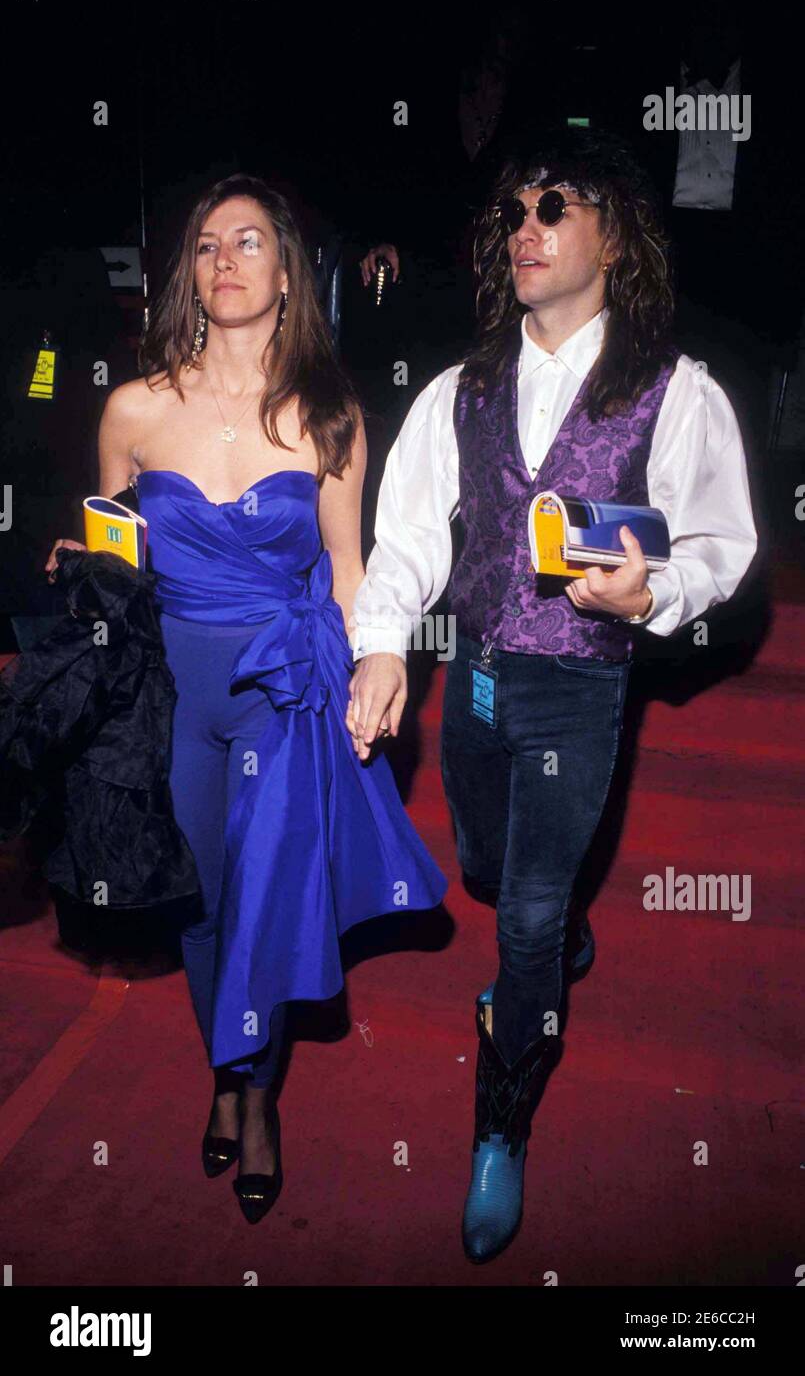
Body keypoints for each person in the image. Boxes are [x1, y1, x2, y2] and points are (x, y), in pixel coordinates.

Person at [346, 127, 757, 1263]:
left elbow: (721, 540)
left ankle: (501, 1121)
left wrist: (656, 592)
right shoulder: (459, 388)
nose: (525, 227)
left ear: (613, 237)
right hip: (477, 673)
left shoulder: (674, 392)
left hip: (580, 685)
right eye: (513, 213)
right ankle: (556, 927)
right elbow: (411, 532)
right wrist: (382, 643)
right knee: (486, 873)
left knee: (521, 917)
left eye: (554, 206)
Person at [45, 173, 447, 1224]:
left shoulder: (328, 415)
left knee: (267, 889)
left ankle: (253, 1092)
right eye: (209, 243)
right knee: (200, 899)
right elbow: (116, 554)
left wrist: (375, 660)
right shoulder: (133, 409)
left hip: (279, 684)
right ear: (191, 271)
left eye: (251, 241)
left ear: (287, 275)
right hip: (169, 693)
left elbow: (351, 568)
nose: (226, 258)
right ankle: (226, 1068)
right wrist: (81, 566)